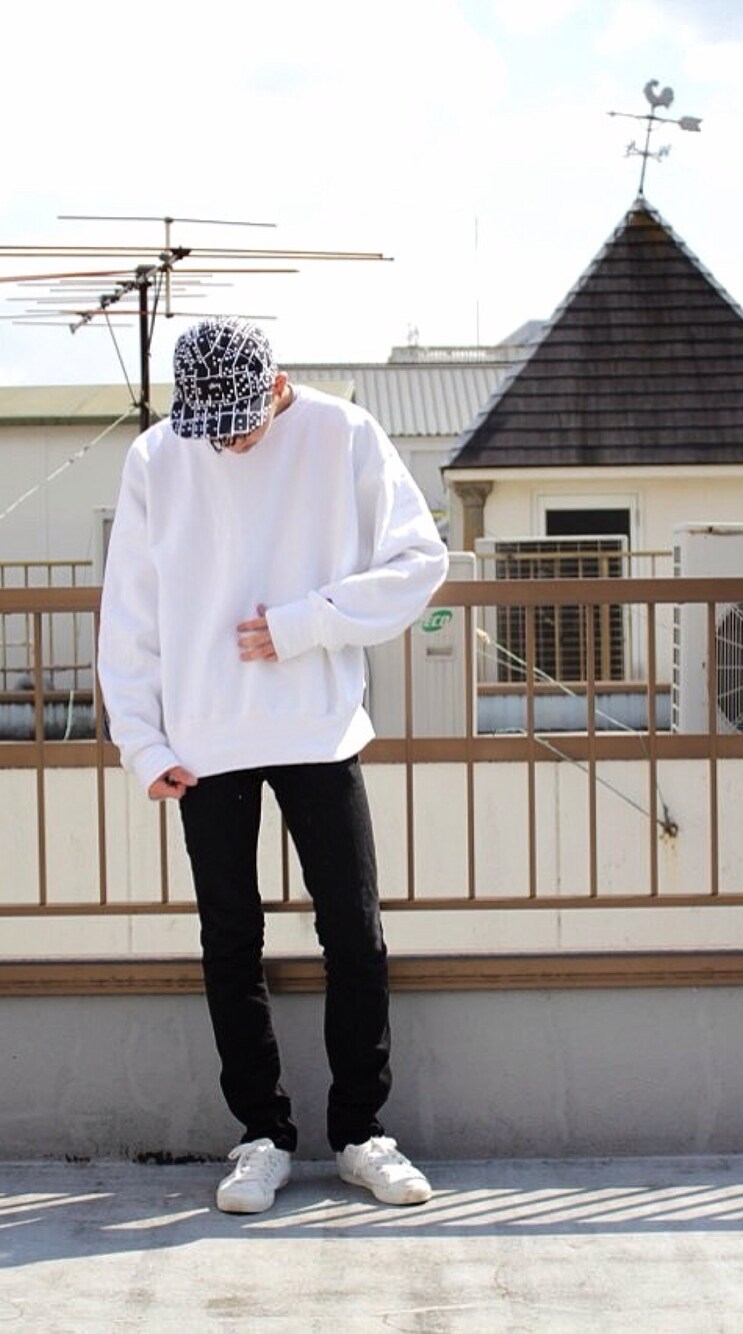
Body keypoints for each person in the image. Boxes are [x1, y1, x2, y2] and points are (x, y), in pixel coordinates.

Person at [98, 316, 448, 1214]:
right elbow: (129, 609)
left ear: (278, 385)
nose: (226, 442)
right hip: (202, 738)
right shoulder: (157, 457)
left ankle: (362, 1135)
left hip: (318, 725)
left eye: (240, 425)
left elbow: (420, 561)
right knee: (230, 940)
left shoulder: (341, 432)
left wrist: (308, 623)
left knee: (354, 933)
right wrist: (142, 741)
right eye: (209, 428)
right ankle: (261, 1137)